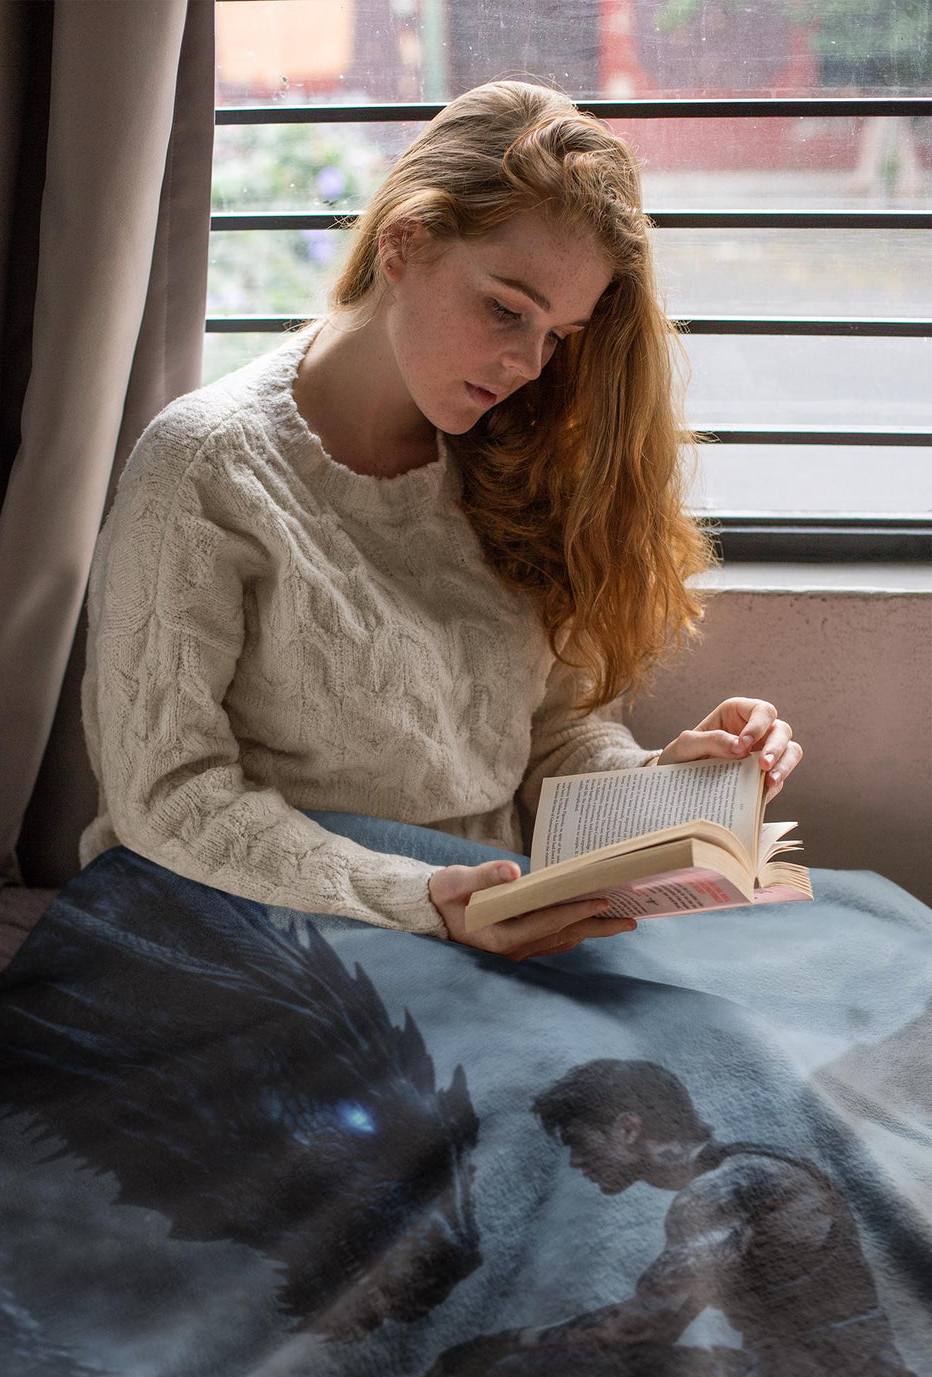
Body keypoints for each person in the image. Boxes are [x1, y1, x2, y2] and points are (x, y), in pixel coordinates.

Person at [79, 80, 802, 963]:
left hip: (487, 910)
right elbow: (168, 794)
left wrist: (662, 787)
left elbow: (551, 741)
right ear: (403, 243)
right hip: (261, 923)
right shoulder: (204, 468)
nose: (527, 363)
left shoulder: (518, 459)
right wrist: (420, 898)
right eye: (506, 308)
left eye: (558, 336)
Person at [422, 1059, 932, 1377]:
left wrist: (498, 1346)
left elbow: (642, 1324)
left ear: (628, 1128)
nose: (576, 1161)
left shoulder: (722, 1189)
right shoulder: (753, 1168)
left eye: (579, 1141)